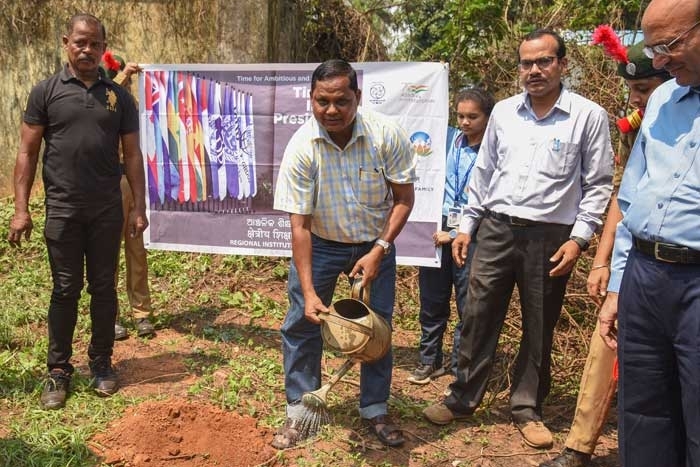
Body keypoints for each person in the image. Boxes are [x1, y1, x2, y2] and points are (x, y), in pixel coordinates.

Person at [422, 29, 614, 450]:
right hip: (495, 228)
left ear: (562, 64)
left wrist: (580, 239)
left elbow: (599, 185)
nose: (534, 71)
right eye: (526, 63)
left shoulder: (588, 116)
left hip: (551, 237)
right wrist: (467, 226)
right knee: (476, 313)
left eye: (543, 61)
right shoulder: (505, 114)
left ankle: (527, 407)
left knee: (539, 323)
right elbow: (483, 174)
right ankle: (462, 398)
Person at [540, 36, 672, 467]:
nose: (636, 100)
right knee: (605, 343)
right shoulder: (637, 126)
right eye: (632, 92)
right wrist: (603, 259)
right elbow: (623, 195)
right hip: (636, 258)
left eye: (644, 91)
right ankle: (579, 446)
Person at [271, 59, 416, 449]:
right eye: (322, 102)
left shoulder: (386, 135)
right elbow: (299, 227)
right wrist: (308, 291)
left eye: (341, 101)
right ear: (311, 99)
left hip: (374, 246)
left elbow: (404, 199)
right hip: (320, 244)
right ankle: (301, 409)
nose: (331, 111)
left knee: (377, 329)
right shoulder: (302, 147)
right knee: (302, 324)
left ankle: (374, 408)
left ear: (358, 97)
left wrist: (379, 249)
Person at [7, 13, 147, 409]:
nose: (87, 50)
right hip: (63, 210)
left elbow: (133, 154)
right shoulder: (45, 92)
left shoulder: (119, 97)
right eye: (80, 42)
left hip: (106, 210)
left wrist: (138, 206)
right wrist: (21, 209)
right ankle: (58, 371)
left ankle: (101, 363)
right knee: (65, 289)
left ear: (105, 48)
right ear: (67, 42)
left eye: (95, 44)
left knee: (104, 288)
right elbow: (27, 152)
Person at [598, 1, 700, 465]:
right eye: (654, 48)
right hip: (643, 277)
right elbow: (633, 195)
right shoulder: (661, 101)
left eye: (670, 45)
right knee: (643, 417)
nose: (659, 61)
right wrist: (618, 285)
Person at [408, 88, 494, 385]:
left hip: (473, 231)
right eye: (460, 116)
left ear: (488, 117)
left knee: (467, 303)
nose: (465, 122)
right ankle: (429, 360)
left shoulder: (494, 149)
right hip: (437, 225)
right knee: (431, 299)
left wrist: (457, 232)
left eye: (473, 116)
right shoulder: (447, 139)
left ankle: (460, 367)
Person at [100, 51, 156, 339]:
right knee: (108, 255)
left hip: (131, 180)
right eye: (117, 77)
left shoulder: (129, 104)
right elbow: (108, 94)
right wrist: (124, 76)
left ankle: (142, 313)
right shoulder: (102, 98)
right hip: (109, 183)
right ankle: (110, 316)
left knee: (136, 250)